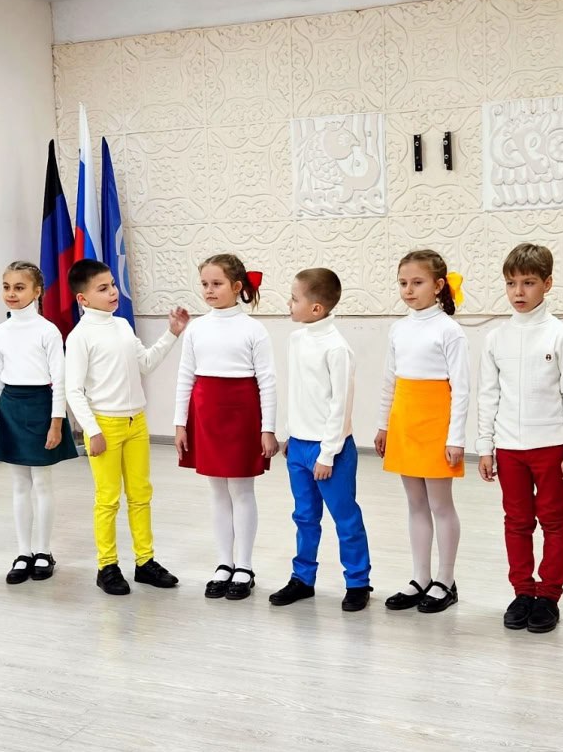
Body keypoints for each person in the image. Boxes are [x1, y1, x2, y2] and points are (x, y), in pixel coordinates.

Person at [476, 244, 563, 633]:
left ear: (547, 284)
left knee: (554, 520)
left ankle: (549, 595)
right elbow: (488, 394)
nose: (519, 292)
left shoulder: (562, 335)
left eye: (528, 283)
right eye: (511, 284)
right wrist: (485, 446)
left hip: (551, 446)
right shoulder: (496, 338)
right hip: (508, 449)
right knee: (517, 521)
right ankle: (523, 591)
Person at [64, 259, 189, 596]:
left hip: (136, 422)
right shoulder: (80, 337)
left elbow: (145, 363)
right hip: (104, 425)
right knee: (107, 499)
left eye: (113, 284)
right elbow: (73, 390)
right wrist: (93, 430)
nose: (113, 292)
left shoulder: (121, 326)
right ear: (83, 299)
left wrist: (172, 334)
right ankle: (107, 566)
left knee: (140, 494)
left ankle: (145, 562)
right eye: (103, 288)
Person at [269, 268, 373, 613]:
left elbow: (340, 405)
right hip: (299, 445)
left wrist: (327, 454)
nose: (289, 303)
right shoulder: (296, 339)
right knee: (304, 516)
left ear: (316, 308)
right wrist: (290, 433)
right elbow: (298, 392)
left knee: (345, 518)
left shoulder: (337, 348)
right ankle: (303, 578)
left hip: (331, 450)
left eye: (294, 298)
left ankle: (358, 582)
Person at [174, 253, 278, 601]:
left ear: (236, 287)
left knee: (242, 490)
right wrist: (180, 423)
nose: (209, 290)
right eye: (204, 283)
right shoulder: (196, 328)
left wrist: (267, 428)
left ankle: (244, 565)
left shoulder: (253, 329)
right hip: (205, 413)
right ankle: (224, 562)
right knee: (217, 491)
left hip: (242, 413)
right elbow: (185, 376)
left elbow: (267, 381)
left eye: (216, 283)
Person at [375, 249, 469, 613]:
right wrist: (384, 424)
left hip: (436, 423)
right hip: (405, 420)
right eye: (403, 283)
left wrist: (455, 438)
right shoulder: (398, 328)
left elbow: (461, 389)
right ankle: (420, 577)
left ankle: (446, 579)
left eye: (417, 282)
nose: (409, 290)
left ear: (438, 285)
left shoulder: (449, 330)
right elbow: (389, 380)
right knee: (415, 503)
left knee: (440, 504)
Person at [0, 261, 79, 586]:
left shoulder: (47, 330)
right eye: (6, 287)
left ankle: (44, 551)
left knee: (41, 483)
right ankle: (23, 552)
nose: (11, 293)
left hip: (41, 406)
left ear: (37, 291)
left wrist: (56, 422)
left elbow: (60, 379)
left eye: (19, 287)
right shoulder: (0, 332)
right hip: (10, 406)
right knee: (18, 484)